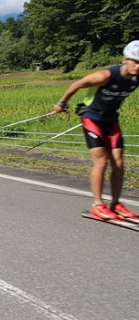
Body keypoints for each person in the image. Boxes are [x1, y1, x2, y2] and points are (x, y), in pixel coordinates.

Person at [52, 40, 139, 220]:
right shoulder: (105, 76)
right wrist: (61, 103)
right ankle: (97, 205)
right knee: (101, 161)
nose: (138, 66)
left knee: (119, 162)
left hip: (111, 118)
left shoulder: (137, 78)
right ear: (125, 59)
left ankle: (115, 204)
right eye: (135, 61)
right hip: (92, 117)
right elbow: (76, 84)